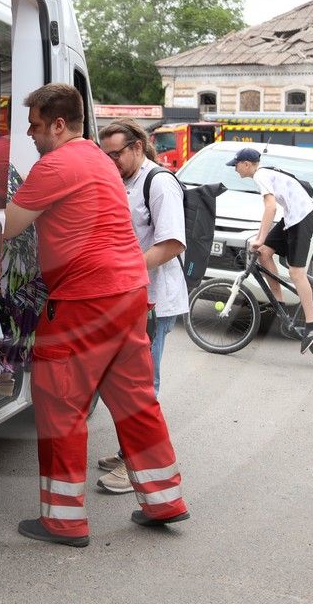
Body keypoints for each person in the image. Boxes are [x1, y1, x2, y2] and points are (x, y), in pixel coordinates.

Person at [4, 84, 189, 547]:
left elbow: (5, 227)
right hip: (129, 293)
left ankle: (63, 521)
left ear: (59, 125)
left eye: (36, 125)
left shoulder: (57, 164)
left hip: (86, 299)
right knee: (135, 400)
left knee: (60, 402)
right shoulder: (98, 161)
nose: (30, 134)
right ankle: (164, 499)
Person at [94, 119, 188, 494]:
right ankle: (127, 452)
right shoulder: (122, 180)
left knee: (143, 384)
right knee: (123, 381)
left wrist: (123, 270)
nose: (111, 160)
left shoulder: (159, 182)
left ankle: (137, 466)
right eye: (106, 155)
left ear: (137, 147)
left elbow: (172, 244)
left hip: (153, 300)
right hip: (126, 296)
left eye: (116, 154)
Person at [227, 147, 313, 352]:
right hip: (292, 218)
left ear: (246, 164)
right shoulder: (264, 174)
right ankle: (279, 303)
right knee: (264, 253)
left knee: (296, 272)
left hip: (302, 218)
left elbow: (270, 207)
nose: (235, 169)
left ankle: (312, 324)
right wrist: (262, 242)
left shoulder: (260, 175)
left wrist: (260, 237)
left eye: (236, 164)